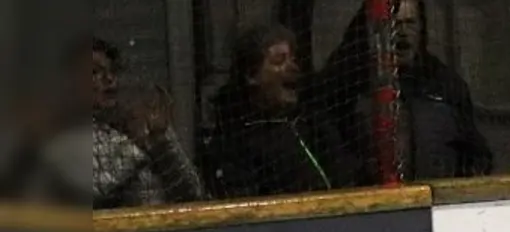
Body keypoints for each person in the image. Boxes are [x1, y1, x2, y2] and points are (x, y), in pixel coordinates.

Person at [314, 0, 493, 184]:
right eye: (394, 23)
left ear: (421, 27)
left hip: (437, 201)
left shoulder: (444, 83)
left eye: (410, 23)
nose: (402, 32)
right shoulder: (351, 82)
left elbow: (476, 153)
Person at [199, 23, 355, 199]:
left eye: (293, 59)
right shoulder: (234, 142)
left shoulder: (311, 119)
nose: (293, 67)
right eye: (279, 61)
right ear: (251, 76)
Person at [90, 37, 206, 208]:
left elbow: (192, 192)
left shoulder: (142, 120)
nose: (109, 78)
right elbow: (97, 189)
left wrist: (161, 142)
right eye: (95, 72)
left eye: (113, 71)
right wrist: (137, 146)